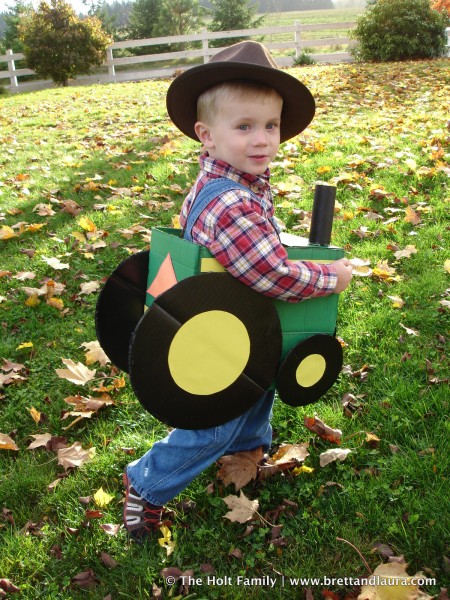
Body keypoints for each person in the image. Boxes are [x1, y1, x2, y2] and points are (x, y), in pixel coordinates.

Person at [123, 40, 353, 542]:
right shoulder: (231, 202)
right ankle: (147, 483)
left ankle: (248, 453)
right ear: (205, 135)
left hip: (234, 320)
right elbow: (269, 275)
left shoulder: (233, 183)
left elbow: (252, 249)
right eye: (244, 126)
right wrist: (328, 278)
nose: (263, 139)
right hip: (217, 334)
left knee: (261, 375)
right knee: (215, 419)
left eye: (270, 125)